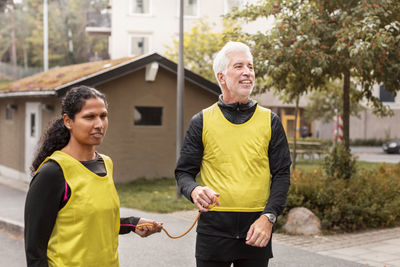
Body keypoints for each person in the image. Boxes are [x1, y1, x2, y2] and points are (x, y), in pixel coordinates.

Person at [175, 41, 291, 267]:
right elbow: (183, 173)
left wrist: (269, 218)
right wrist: (194, 190)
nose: (248, 72)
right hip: (213, 229)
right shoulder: (201, 121)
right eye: (239, 66)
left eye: (251, 66)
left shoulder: (271, 121)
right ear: (221, 77)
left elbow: (282, 175)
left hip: (257, 228)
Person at [24, 85, 163, 267]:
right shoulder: (53, 172)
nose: (99, 124)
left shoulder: (106, 163)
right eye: (89, 117)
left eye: (103, 116)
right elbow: (35, 251)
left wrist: (132, 224)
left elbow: (94, 222)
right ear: (68, 121)